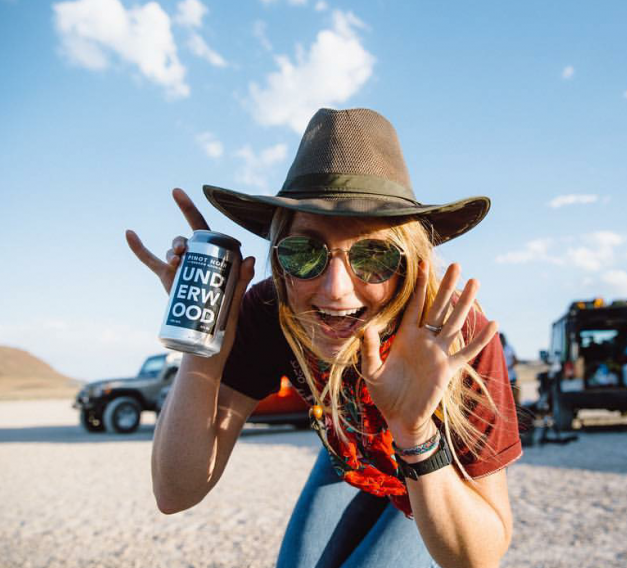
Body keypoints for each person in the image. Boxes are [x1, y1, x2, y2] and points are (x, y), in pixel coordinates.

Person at [127, 108, 521, 568]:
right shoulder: (270, 309)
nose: (335, 289)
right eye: (303, 252)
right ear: (277, 258)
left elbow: (482, 556)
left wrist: (415, 431)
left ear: (409, 263)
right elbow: (177, 492)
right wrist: (206, 337)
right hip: (355, 462)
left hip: (433, 467)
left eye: (373, 255)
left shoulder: (456, 332)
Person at [499, 332, 521, 407]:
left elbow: (516, 360)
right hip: (502, 378)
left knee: (514, 398)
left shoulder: (509, 348)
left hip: (511, 377)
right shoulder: (498, 348)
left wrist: (508, 367)